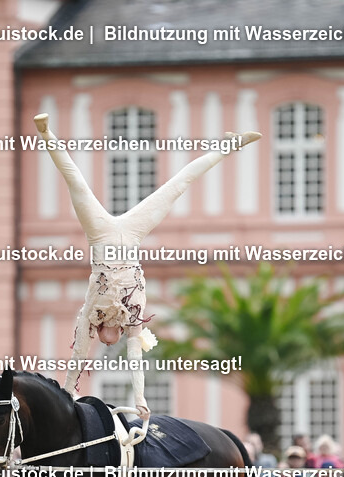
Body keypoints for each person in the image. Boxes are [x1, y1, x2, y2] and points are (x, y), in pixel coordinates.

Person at [35, 111, 260, 419]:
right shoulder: (132, 317)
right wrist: (140, 397)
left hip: (100, 235)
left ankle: (45, 133)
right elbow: (135, 358)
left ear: (102, 331)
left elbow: (78, 357)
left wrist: (67, 390)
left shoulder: (89, 315)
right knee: (176, 186)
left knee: (78, 181)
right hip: (131, 235)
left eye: (106, 339)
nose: (109, 340)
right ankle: (228, 145)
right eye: (113, 339)